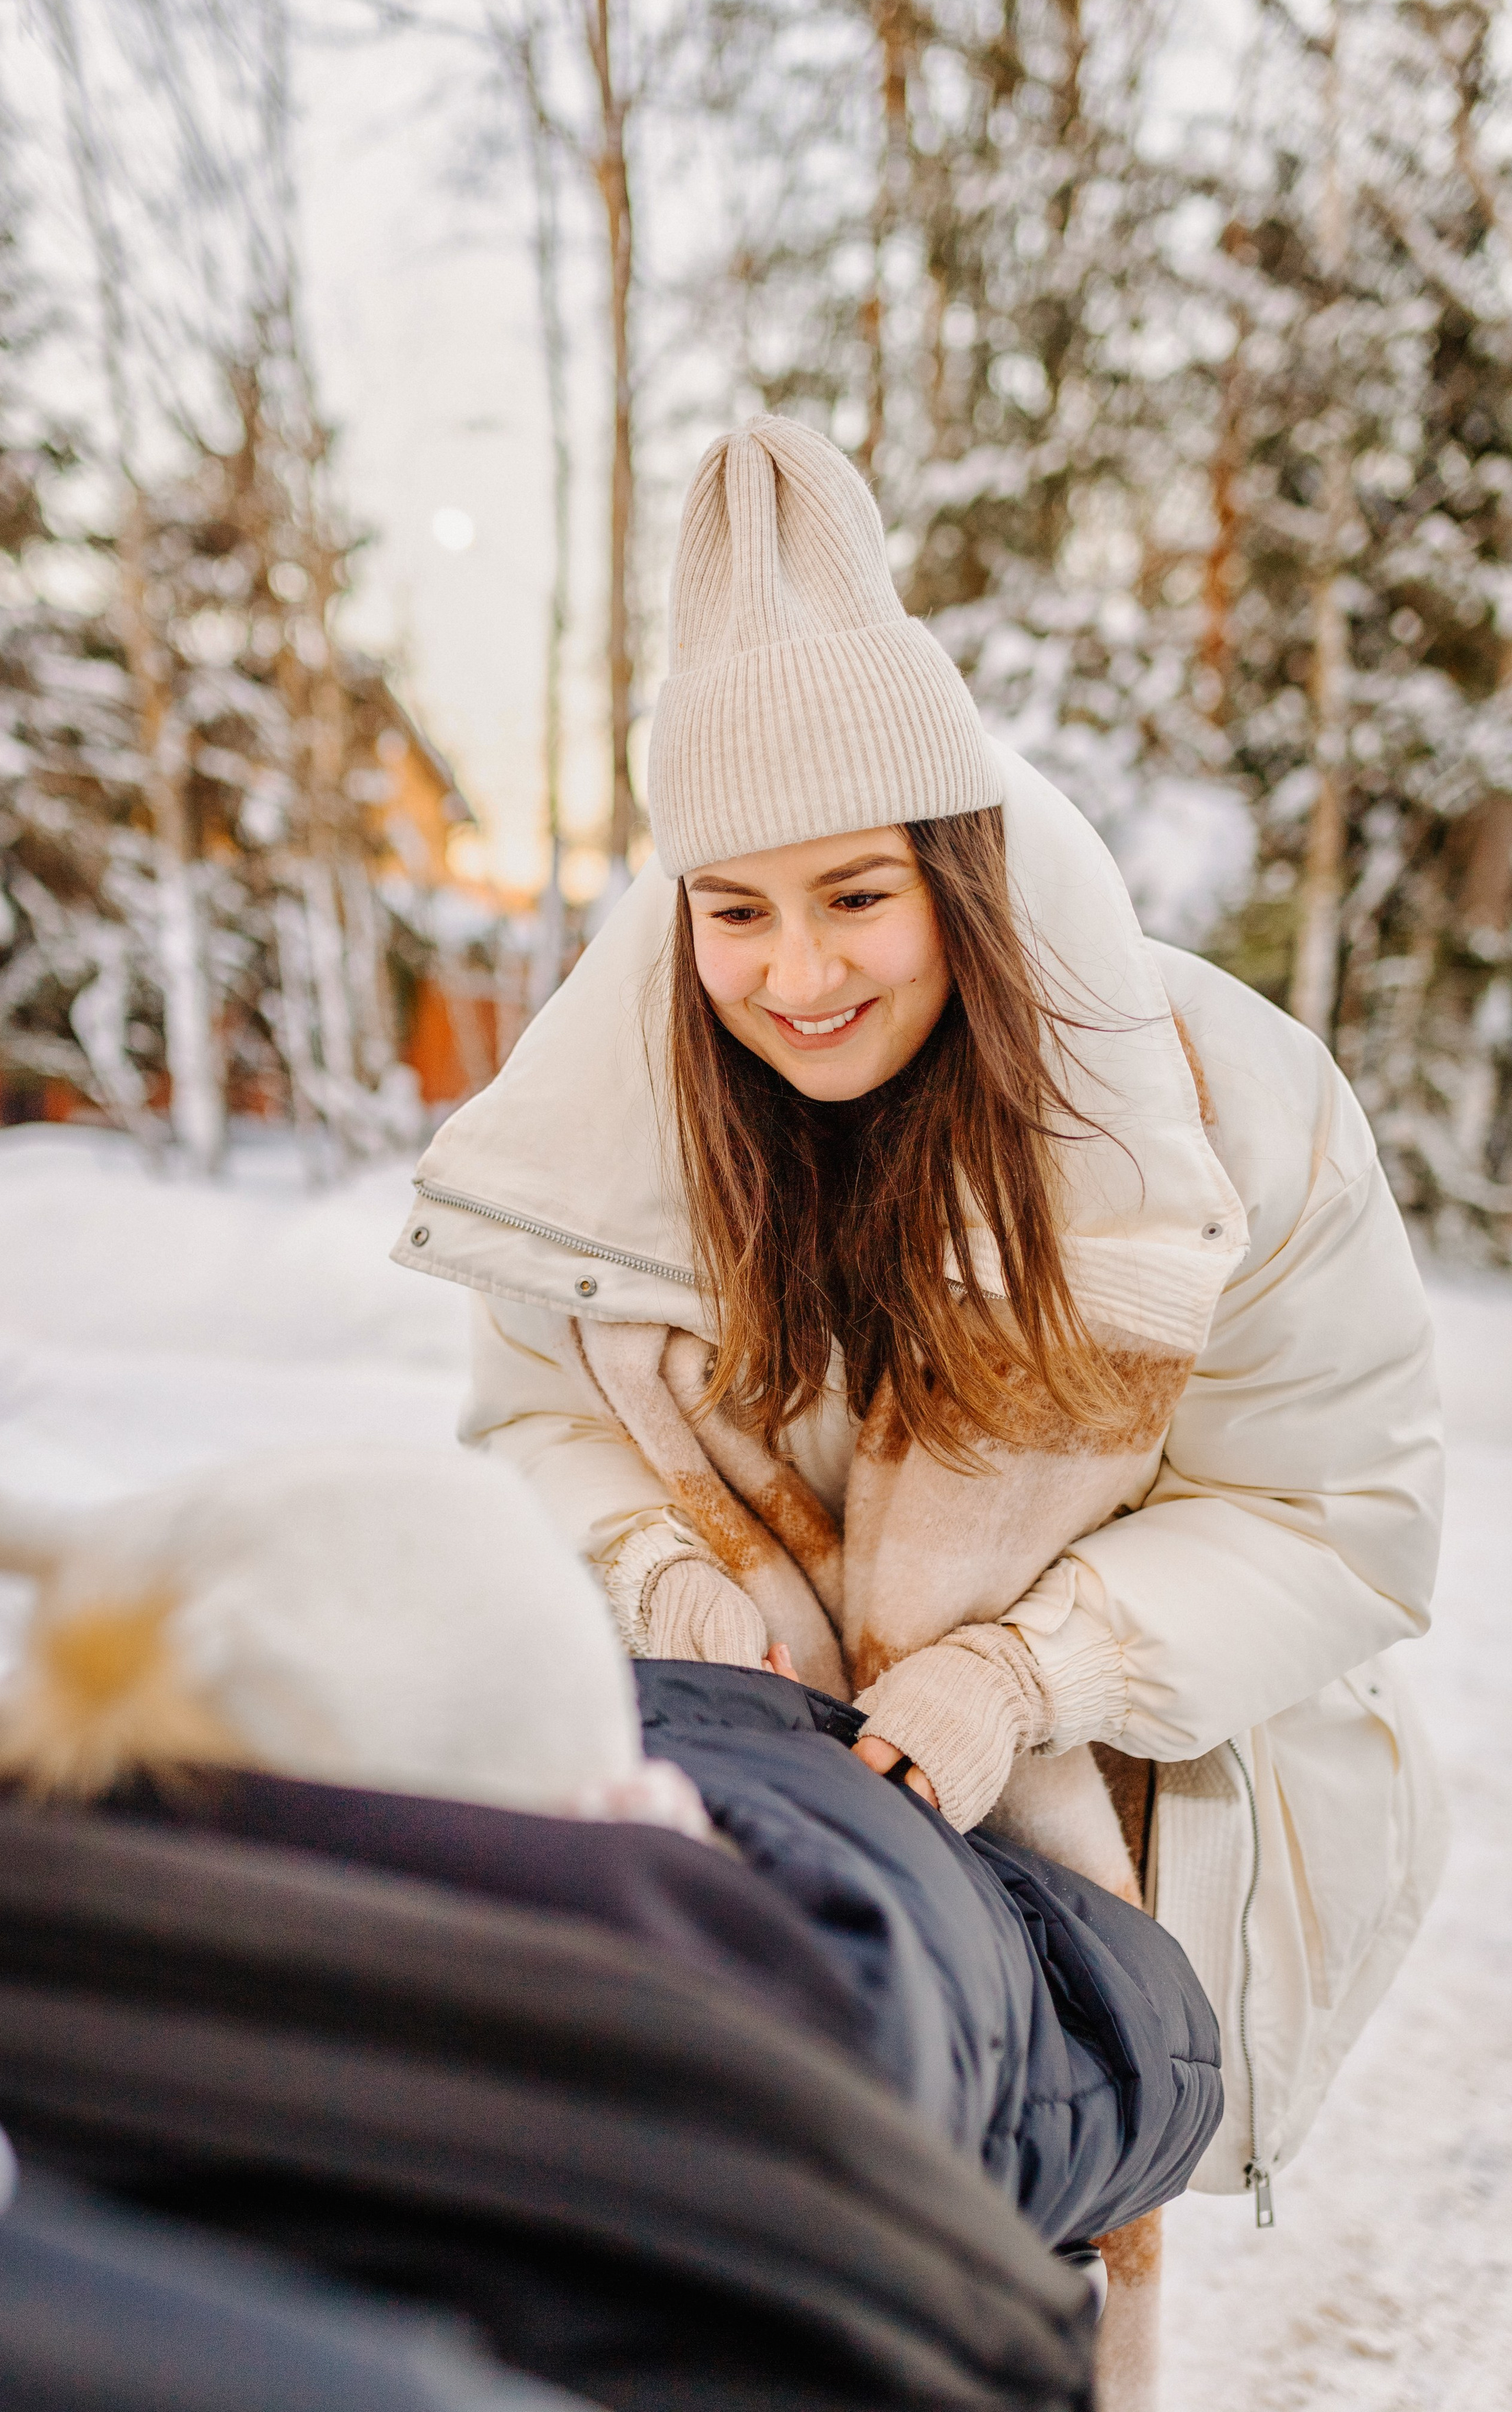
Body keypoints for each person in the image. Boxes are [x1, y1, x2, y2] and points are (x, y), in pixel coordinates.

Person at [393, 416, 1446, 2404]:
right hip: (736, 1845)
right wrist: (663, 1573)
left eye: (855, 896)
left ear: (957, 864)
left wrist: (1030, 1671)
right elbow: (532, 1431)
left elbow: (1343, 1519)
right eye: (737, 910)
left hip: (1074, 1845)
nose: (794, 975)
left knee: (1020, 2311)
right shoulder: (602, 1142)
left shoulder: (1212, 1117)